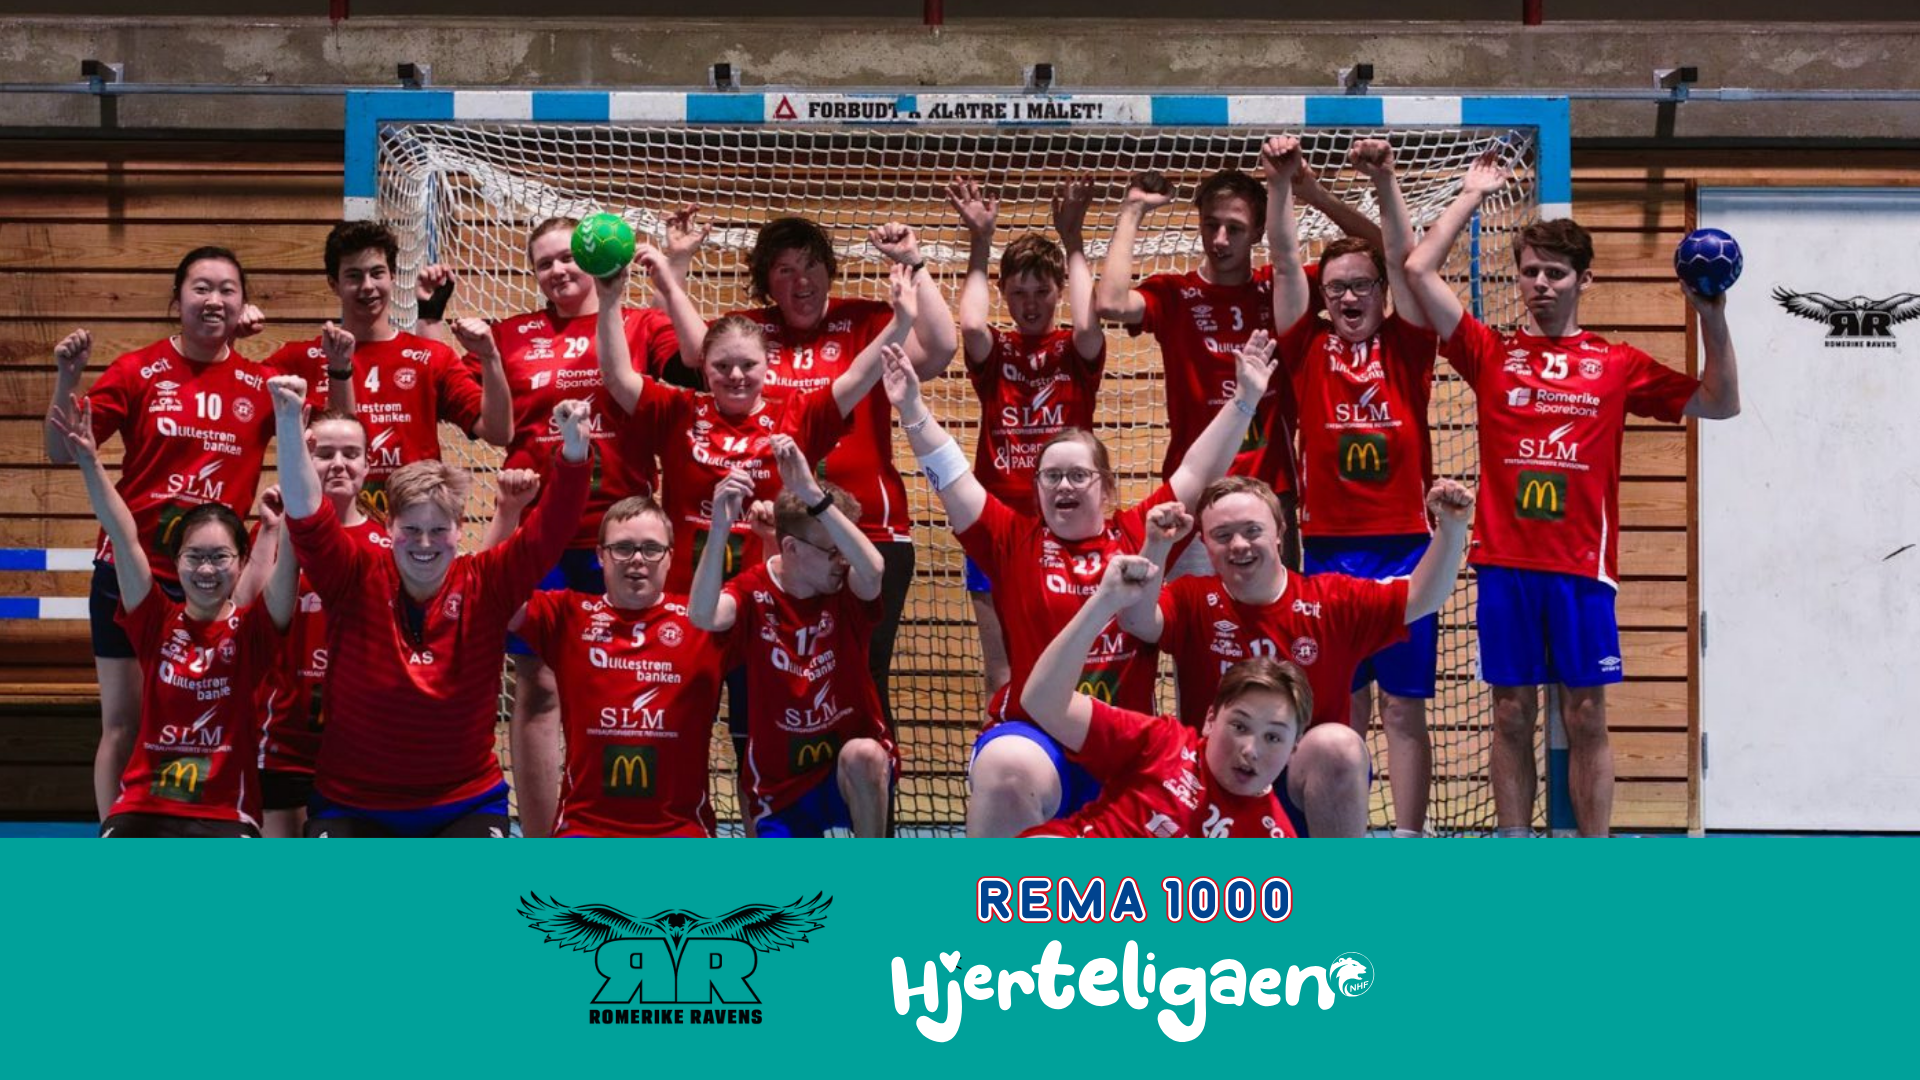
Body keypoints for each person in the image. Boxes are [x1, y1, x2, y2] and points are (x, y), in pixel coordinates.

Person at [1402, 155, 1742, 837]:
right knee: (1510, 715)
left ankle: (1593, 858)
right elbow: (1417, 270)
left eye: (1555, 273)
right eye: (1530, 272)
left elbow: (1720, 401)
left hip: (1582, 569)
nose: (1541, 284)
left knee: (1585, 716)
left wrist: (1711, 315)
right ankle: (1514, 848)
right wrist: (1470, 193)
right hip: (1505, 566)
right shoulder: (1489, 352)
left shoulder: (1617, 364)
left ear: (1584, 280)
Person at [884, 330, 1280, 838]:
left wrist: (1245, 399)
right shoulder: (1011, 540)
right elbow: (953, 475)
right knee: (1006, 768)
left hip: (1121, 746)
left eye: (1077, 475)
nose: (1063, 485)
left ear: (1106, 488)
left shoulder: (1139, 533)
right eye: (1050, 477)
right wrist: (913, 409)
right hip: (1037, 739)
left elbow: (1199, 469)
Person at [447, 213, 691, 838]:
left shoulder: (639, 324)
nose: (557, 270)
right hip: (541, 537)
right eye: (544, 263)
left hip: (622, 538)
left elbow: (694, 362)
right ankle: (539, 841)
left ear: (595, 258)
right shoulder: (510, 335)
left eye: (567, 257)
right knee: (538, 684)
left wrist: (674, 270)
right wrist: (440, 323)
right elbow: (472, 409)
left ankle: (639, 827)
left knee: (633, 682)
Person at [271, 372, 595, 837]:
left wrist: (575, 453)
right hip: (352, 802)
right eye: (411, 529)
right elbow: (306, 515)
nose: (425, 543)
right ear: (389, 527)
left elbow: (553, 529)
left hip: (463, 803)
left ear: (460, 530)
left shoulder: (489, 583)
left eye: (439, 529)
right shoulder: (352, 576)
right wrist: (287, 423)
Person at [43, 246, 274, 821]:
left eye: (227, 289)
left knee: (214, 720)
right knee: (123, 722)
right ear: (176, 300)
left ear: (244, 304)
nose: (214, 299)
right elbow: (59, 451)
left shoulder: (262, 383)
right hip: (132, 575)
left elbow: (331, 432)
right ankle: (114, 840)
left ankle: (206, 828)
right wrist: (67, 377)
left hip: (211, 581)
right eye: (201, 288)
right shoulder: (136, 370)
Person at [707, 215, 959, 739]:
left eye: (812, 266)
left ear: (829, 270)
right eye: (784, 269)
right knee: (768, 676)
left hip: (870, 532)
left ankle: (870, 788)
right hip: (778, 538)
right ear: (765, 281)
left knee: (863, 674)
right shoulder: (746, 335)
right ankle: (780, 788)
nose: (801, 280)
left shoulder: (867, 320)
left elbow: (939, 349)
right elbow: (694, 357)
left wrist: (913, 262)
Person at [1120, 475, 1472, 837]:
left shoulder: (1331, 602)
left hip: (1298, 787)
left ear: (1279, 531)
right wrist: (1156, 545)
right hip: (1215, 789)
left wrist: (1452, 528)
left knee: (1338, 746)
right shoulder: (1191, 599)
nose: (1239, 545)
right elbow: (1135, 620)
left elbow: (1421, 597)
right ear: (1204, 542)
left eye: (1252, 531)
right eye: (1222, 535)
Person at [1265, 136, 1445, 836]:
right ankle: (1342, 835)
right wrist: (1282, 184)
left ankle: (1408, 839)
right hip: (1331, 550)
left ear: (1381, 292)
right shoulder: (1306, 346)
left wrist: (1386, 179)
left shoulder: (1409, 344)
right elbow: (1285, 259)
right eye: (1335, 286)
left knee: (1403, 707)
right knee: (1343, 707)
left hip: (1405, 548)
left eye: (1361, 285)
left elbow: (1403, 256)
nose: (1347, 296)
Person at [1094, 158, 1381, 572]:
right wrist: (1133, 209)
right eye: (1211, 225)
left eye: (1235, 228)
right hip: (1194, 493)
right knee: (1189, 611)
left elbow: (1382, 257)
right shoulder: (1176, 294)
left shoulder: (1282, 289)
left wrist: (1316, 195)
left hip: (1269, 488)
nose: (1220, 239)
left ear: (1259, 231)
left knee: (1276, 609)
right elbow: (1110, 303)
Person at [48, 395, 294, 838]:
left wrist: (293, 490)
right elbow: (124, 535)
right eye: (194, 556)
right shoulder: (154, 620)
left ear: (240, 562)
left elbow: (285, 565)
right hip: (143, 807)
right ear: (176, 561)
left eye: (219, 557)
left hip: (225, 814)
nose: (206, 570)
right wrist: (90, 462)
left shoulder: (253, 632)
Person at [946, 175, 1107, 701]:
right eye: (1018, 293)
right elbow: (972, 326)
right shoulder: (997, 352)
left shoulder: (1074, 352)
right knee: (1003, 667)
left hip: (1064, 524)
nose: (1031, 304)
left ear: (1059, 290)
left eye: (1042, 291)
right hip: (999, 525)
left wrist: (1073, 239)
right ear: (1004, 295)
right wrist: (980, 243)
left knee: (1072, 662)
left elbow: (1089, 323)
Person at [687, 438, 894, 839]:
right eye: (832, 550)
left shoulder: (847, 590)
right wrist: (719, 529)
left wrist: (812, 494)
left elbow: (874, 568)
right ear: (791, 549)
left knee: (866, 754)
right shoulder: (753, 590)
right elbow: (702, 615)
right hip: (779, 784)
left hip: (843, 770)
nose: (843, 560)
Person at [1018, 555, 1309, 839]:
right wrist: (1103, 602)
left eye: (1273, 737)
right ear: (1210, 719)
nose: (1250, 750)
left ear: (1293, 750)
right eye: (1239, 726)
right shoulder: (1163, 742)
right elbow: (1042, 701)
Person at [510, 495, 738, 837]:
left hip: (681, 831)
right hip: (585, 830)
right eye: (623, 548)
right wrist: (508, 512)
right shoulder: (567, 615)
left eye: (651, 548)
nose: (637, 559)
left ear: (670, 557)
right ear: (601, 555)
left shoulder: (705, 625)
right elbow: (495, 596)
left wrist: (757, 538)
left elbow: (774, 604)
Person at [264, 221, 508, 514]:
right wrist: (231, 334)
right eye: (354, 276)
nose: (367, 286)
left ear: (393, 276)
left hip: (416, 523)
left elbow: (499, 433)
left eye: (377, 273)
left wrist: (491, 357)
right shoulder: (297, 359)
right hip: (333, 523)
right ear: (333, 283)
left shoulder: (432, 357)